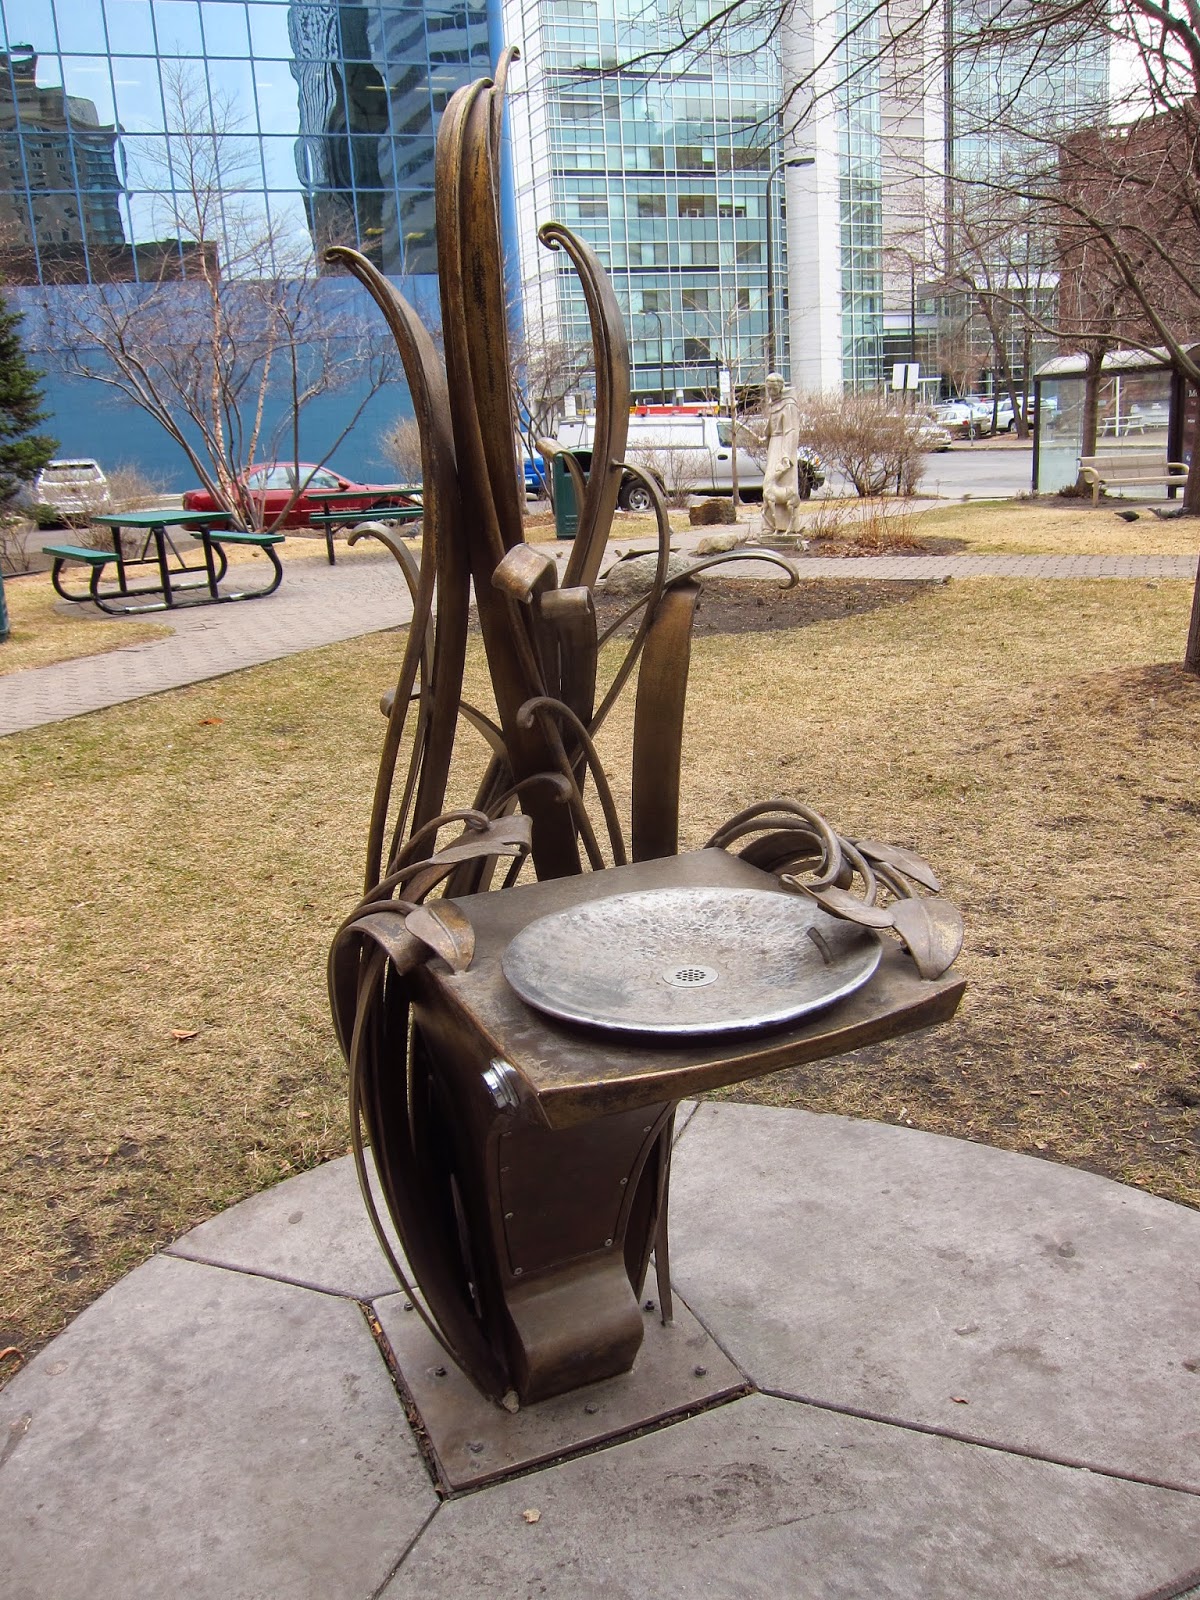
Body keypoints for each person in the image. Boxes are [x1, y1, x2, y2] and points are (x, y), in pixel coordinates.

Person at [760, 372, 804, 536]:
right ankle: (769, 525)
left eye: (773, 389)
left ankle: (785, 526)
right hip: (773, 445)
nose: (770, 392)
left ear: (780, 387)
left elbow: (791, 431)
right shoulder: (773, 404)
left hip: (783, 448)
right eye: (768, 389)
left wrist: (786, 455)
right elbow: (771, 427)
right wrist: (765, 436)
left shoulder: (789, 404)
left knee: (778, 483)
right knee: (768, 484)